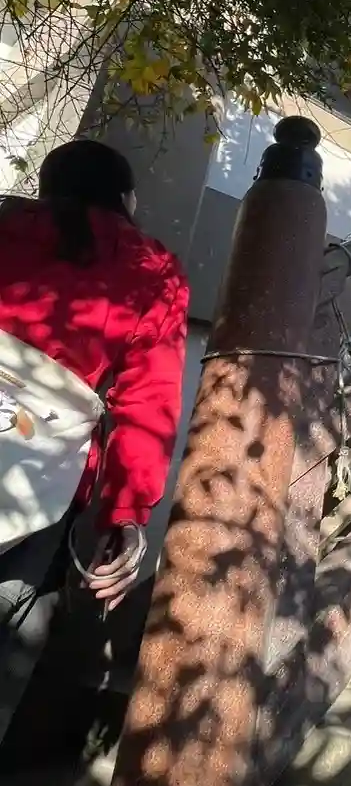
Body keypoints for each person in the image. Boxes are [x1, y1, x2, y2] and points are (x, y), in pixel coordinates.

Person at [0, 139, 189, 737]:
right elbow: (147, 401)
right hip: (36, 495)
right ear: (126, 199)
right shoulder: (151, 270)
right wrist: (125, 513)